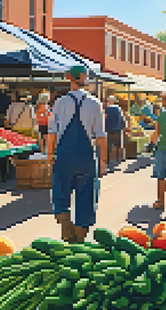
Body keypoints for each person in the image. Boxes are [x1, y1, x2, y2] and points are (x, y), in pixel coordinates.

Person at [47, 66, 107, 243]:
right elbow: (101, 135)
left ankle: (66, 225)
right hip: (86, 156)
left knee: (61, 189)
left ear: (69, 78)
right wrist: (103, 160)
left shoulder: (59, 103)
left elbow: (52, 133)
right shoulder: (95, 103)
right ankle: (80, 235)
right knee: (86, 193)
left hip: (64, 155)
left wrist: (50, 155)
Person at [104, 96, 126, 165]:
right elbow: (122, 119)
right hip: (118, 129)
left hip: (109, 129)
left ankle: (107, 160)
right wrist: (124, 127)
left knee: (108, 146)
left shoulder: (107, 110)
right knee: (119, 146)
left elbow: (105, 119)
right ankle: (119, 159)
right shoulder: (118, 109)